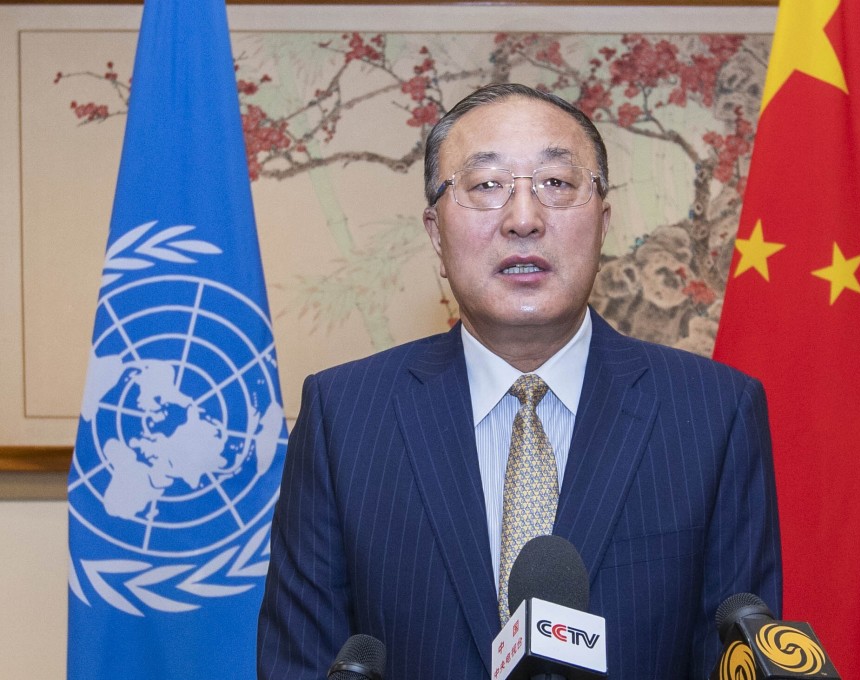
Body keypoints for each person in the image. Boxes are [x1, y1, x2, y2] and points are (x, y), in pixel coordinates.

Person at [257, 83, 782, 680]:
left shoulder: (713, 413)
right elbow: (301, 661)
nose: (524, 218)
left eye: (557, 184)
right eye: (486, 186)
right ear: (435, 230)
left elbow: (736, 653)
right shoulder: (344, 416)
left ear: (603, 220)